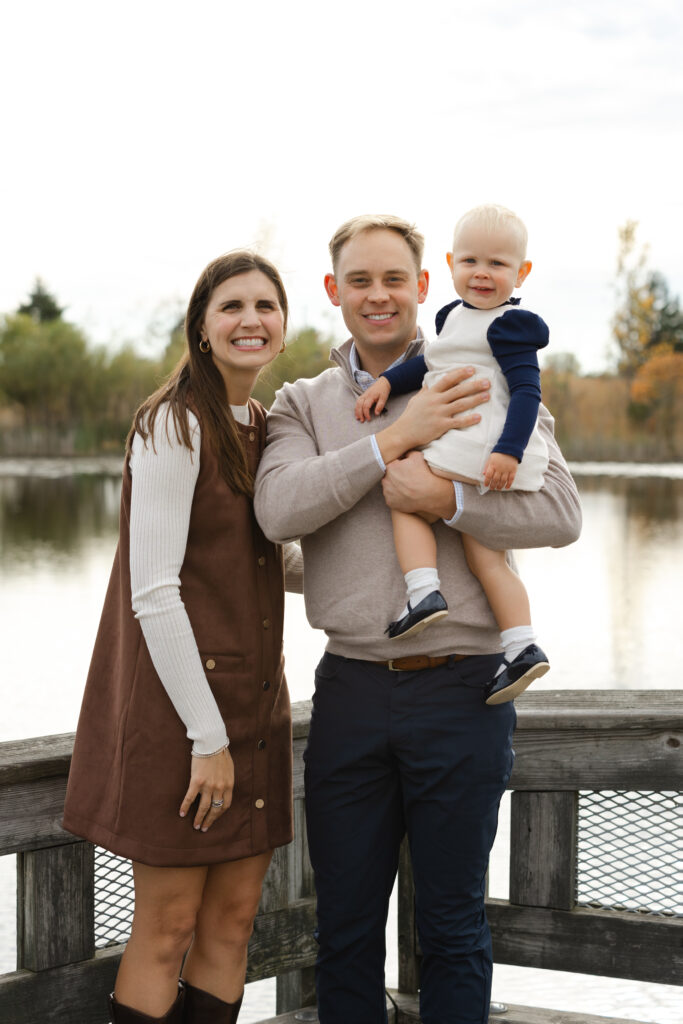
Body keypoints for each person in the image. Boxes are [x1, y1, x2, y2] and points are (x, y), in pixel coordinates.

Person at [254, 215, 581, 1024]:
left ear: (422, 286)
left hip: (465, 693)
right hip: (352, 695)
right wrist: (391, 442)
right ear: (333, 293)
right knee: (345, 929)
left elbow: (561, 511)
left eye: (393, 279)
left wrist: (451, 499)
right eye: (358, 281)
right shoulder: (301, 403)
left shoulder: (484, 372)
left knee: (452, 927)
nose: (377, 296)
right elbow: (275, 511)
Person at [63, 251, 302, 1024]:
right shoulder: (171, 423)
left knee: (232, 926)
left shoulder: (264, 427)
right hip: (185, 723)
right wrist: (206, 737)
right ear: (201, 326)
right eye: (231, 306)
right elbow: (153, 592)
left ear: (283, 325)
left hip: (256, 714)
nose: (250, 320)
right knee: (166, 931)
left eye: (266, 306)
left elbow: (268, 559)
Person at [354, 204, 550, 705]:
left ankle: (422, 592)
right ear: (450, 264)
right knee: (489, 560)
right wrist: (385, 382)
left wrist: (508, 451)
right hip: (474, 453)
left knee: (402, 486)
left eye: (498, 264)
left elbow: (528, 393)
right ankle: (521, 645)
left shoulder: (511, 326)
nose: (482, 273)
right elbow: (427, 367)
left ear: (521, 272)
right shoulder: (453, 318)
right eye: (470, 261)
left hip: (481, 447)